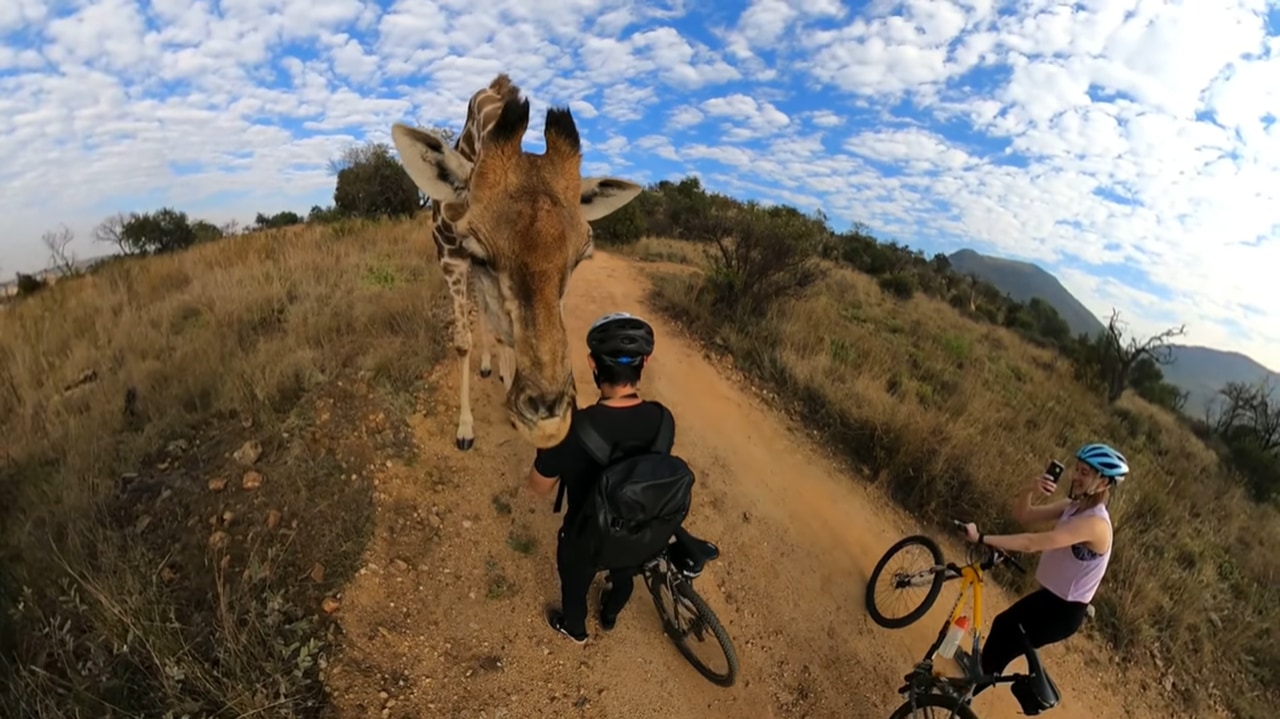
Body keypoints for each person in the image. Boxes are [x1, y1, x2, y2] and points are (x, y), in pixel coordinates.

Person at [525, 311, 676, 644]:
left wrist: (547, 442)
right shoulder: (663, 420)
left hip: (587, 539)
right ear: (645, 361)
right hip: (637, 532)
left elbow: (537, 487)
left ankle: (575, 628)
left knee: (574, 579)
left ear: (593, 363)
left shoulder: (572, 430)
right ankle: (609, 615)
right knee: (625, 570)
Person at [959, 442, 1129, 690]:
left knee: (1006, 637)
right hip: (1051, 599)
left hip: (1064, 611)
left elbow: (1033, 542)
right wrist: (1030, 488)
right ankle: (975, 680)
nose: (1076, 476)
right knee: (1003, 629)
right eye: (1077, 469)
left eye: (1085, 473)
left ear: (1103, 483)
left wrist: (982, 538)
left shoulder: (1096, 525)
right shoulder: (1073, 507)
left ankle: (964, 694)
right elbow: (1024, 515)